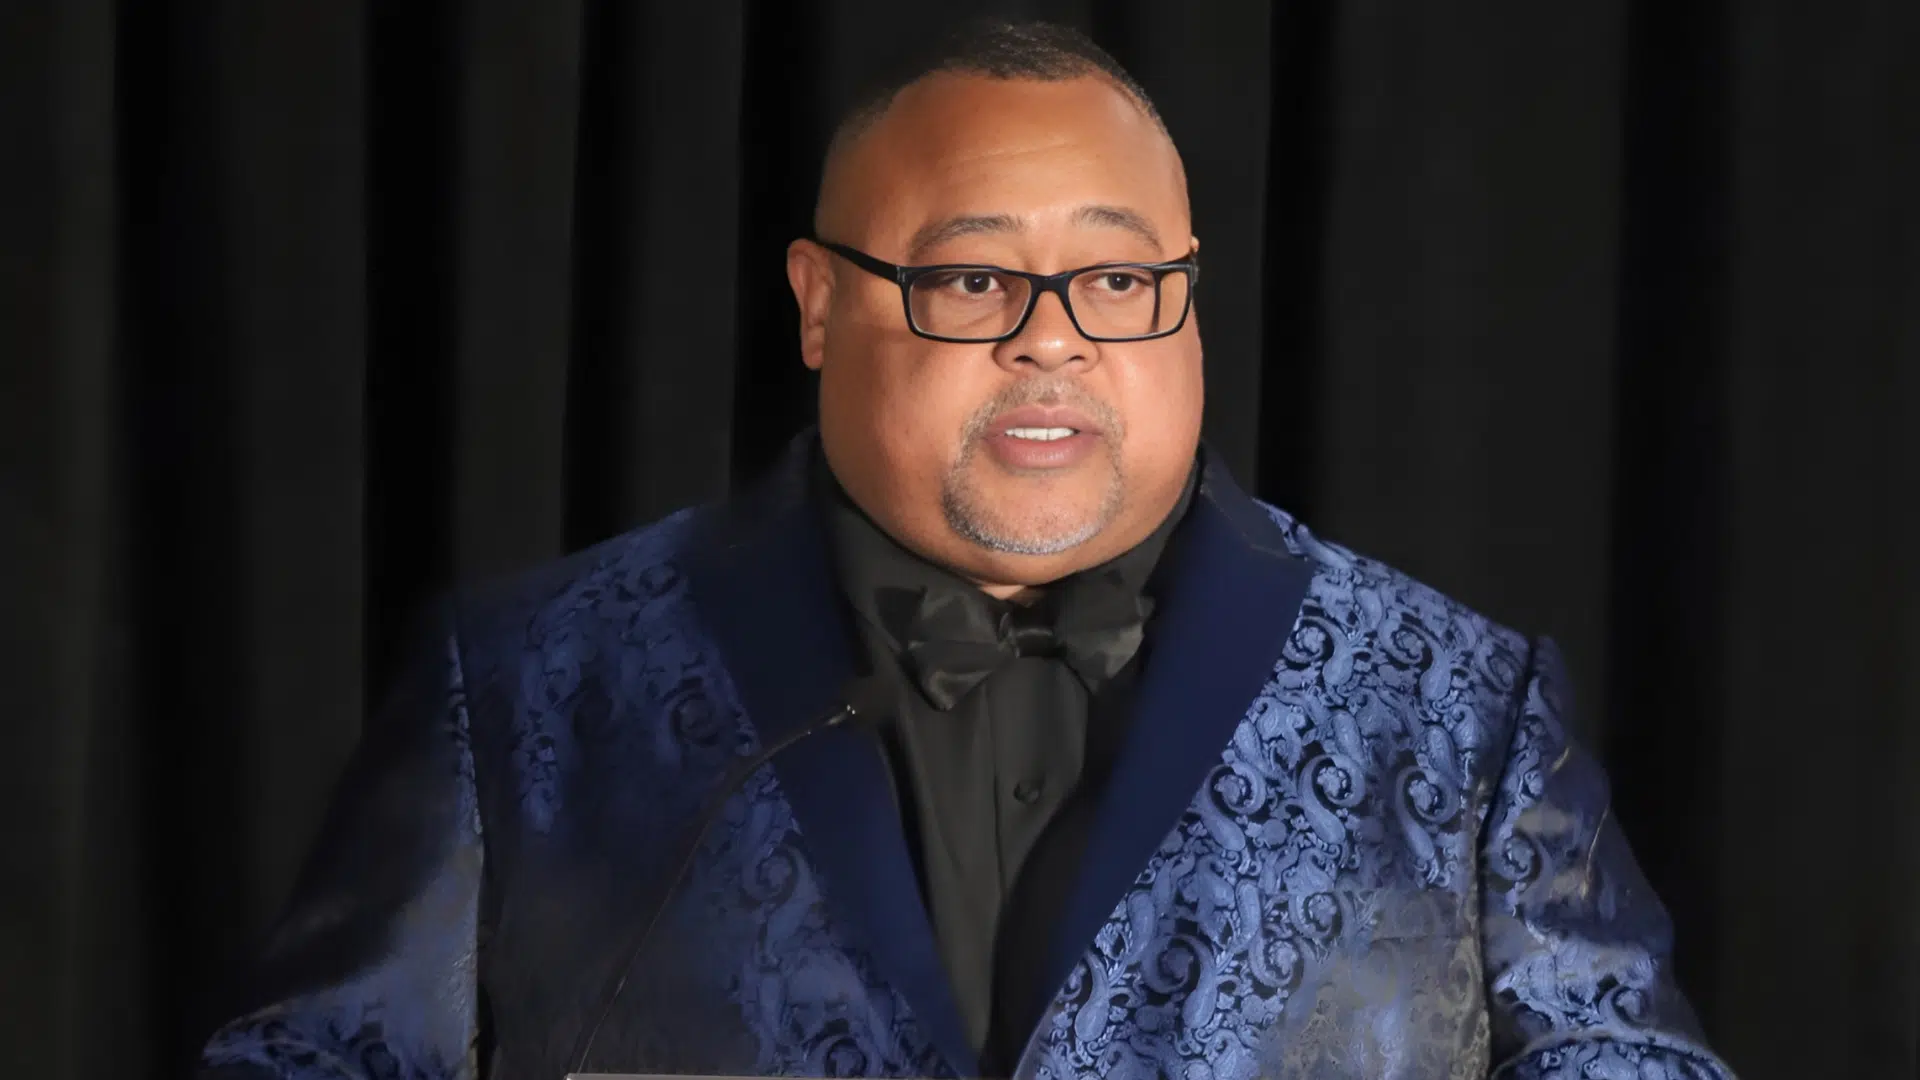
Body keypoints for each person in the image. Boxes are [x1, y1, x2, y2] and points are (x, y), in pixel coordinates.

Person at [199, 19, 1734, 1080]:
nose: (1054, 344)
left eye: (1120, 279)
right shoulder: (530, 688)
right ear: (817, 303)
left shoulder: (1458, 710)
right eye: (975, 282)